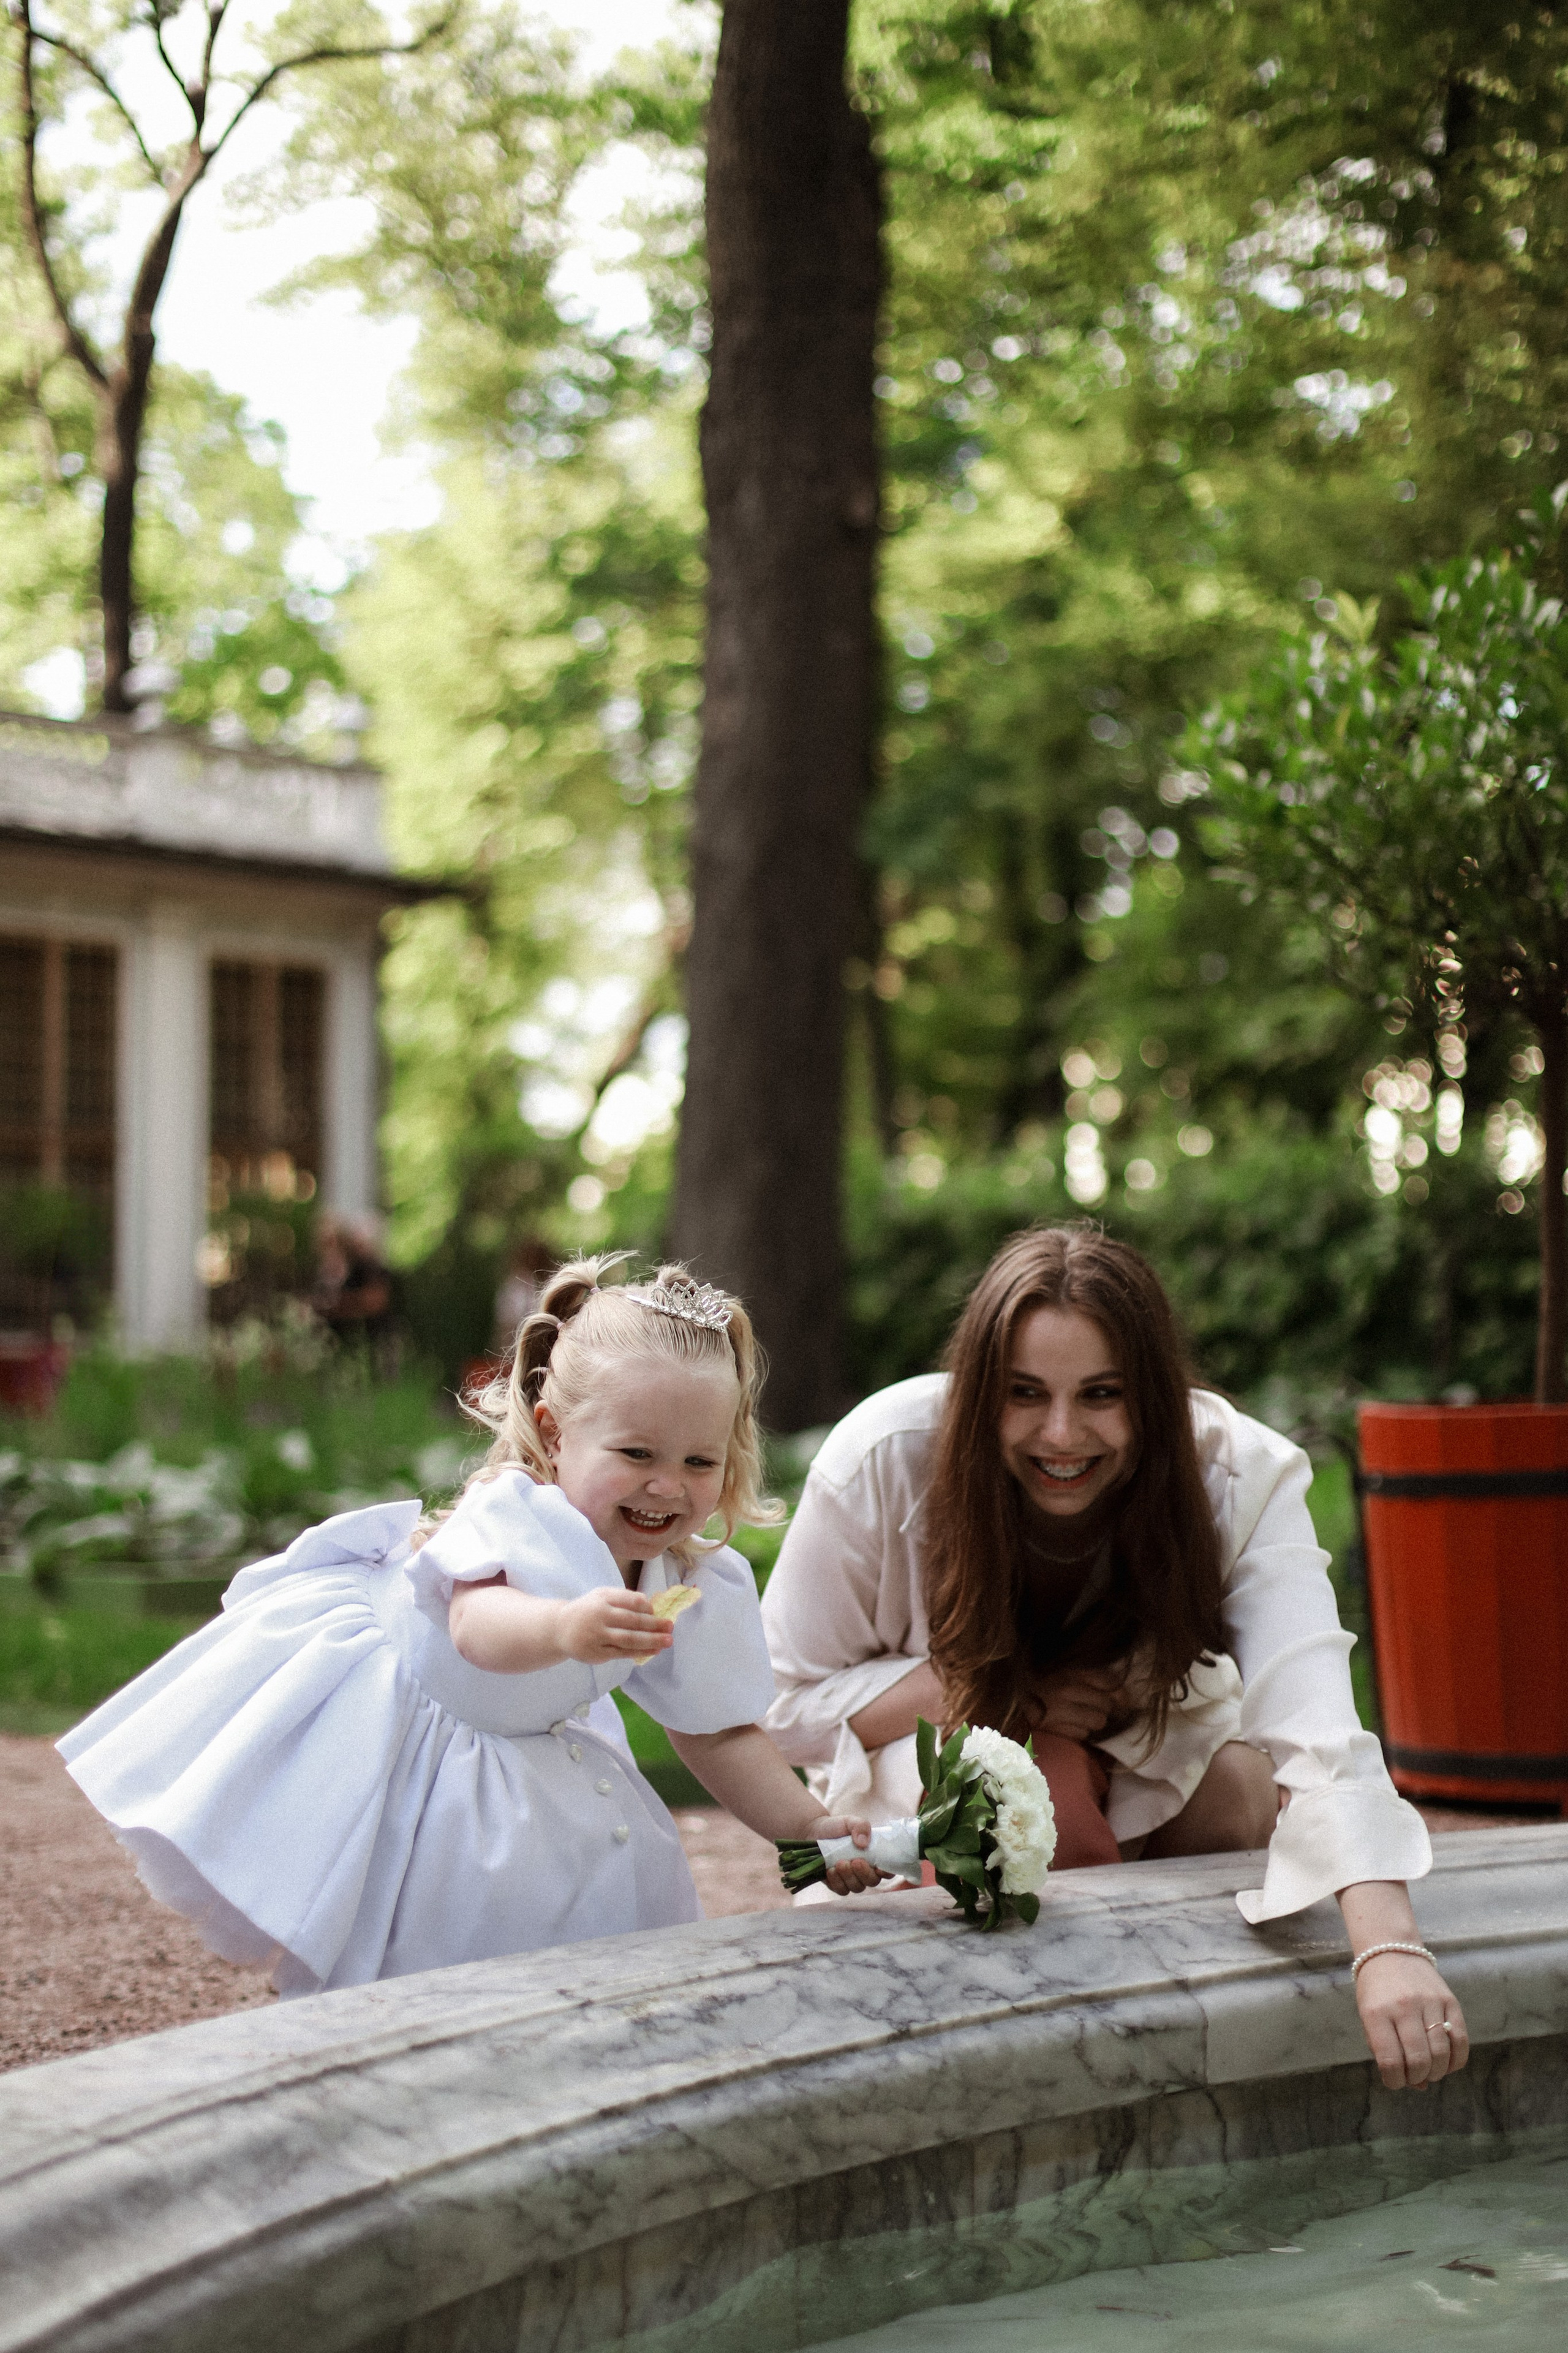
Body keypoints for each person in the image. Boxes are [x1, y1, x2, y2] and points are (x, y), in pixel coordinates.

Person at [761, 1225, 1469, 2093]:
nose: (1063, 1434)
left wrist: (1389, 1944)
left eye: (1103, 1393)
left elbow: (1318, 1720)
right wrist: (997, 1691)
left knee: (1241, 1798)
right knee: (1016, 1821)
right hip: (945, 1758)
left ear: (1157, 1395)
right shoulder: (883, 1458)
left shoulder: (1236, 1474)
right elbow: (775, 1708)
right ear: (983, 1389)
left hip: (1157, 1744)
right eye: (1025, 1393)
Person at [60, 1258, 880, 1996]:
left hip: (522, 1732)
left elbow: (717, 1731)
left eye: (699, 1463)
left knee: (575, 1888)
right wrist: (563, 1626)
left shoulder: (688, 1573)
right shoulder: (519, 1513)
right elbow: (475, 1623)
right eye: (637, 1454)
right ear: (557, 1433)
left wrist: (804, 1827)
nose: (668, 1487)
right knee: (434, 1930)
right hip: (423, 1724)